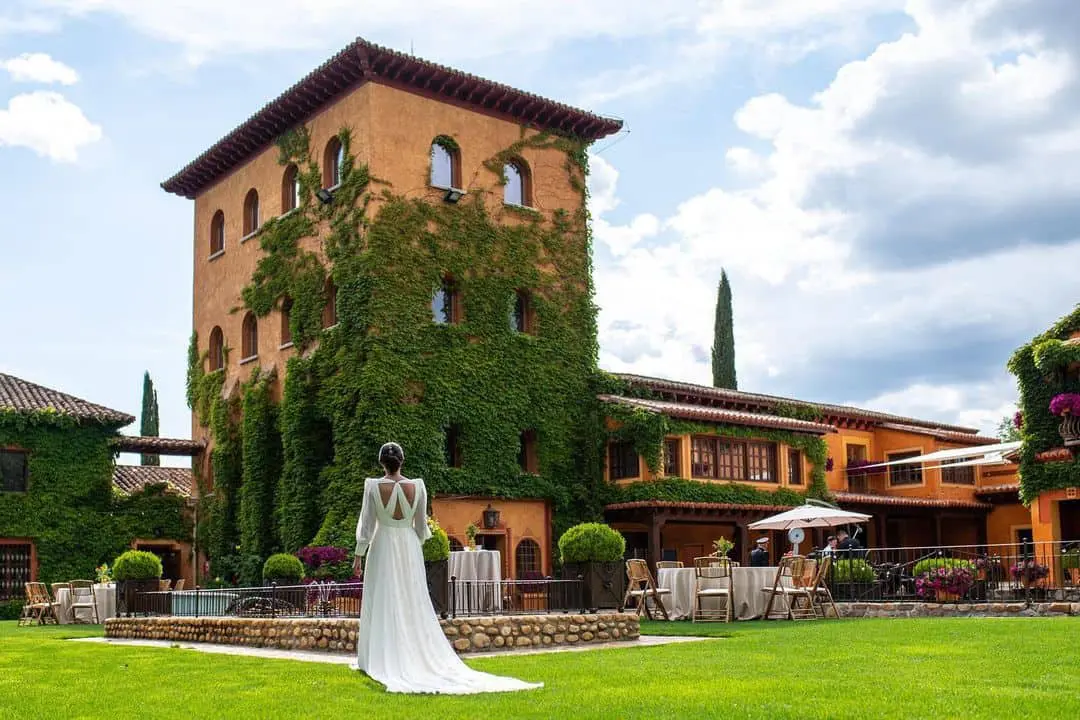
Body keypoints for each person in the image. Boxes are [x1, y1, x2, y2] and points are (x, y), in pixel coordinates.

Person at [352, 442, 542, 695]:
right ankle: (409, 654)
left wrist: (358, 555)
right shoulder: (417, 487)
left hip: (383, 544)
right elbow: (421, 527)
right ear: (402, 460)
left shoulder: (373, 487)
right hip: (408, 545)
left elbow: (366, 525)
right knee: (411, 599)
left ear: (381, 463)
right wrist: (409, 544)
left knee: (382, 597)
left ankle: (378, 657)